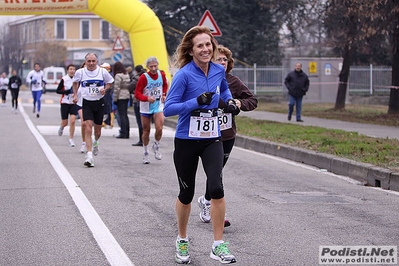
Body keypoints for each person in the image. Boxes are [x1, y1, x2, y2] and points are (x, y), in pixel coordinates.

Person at [163, 26, 237, 264]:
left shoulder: (218, 70)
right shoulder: (184, 74)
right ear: (191, 50)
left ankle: (218, 245)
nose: (205, 49)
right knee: (186, 193)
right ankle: (182, 240)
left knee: (216, 187)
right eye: (200, 46)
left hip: (212, 138)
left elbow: (223, 90)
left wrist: (229, 101)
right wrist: (195, 102)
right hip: (186, 139)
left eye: (208, 45)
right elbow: (168, 109)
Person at [197, 45, 258, 228]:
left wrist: (239, 102)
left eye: (225, 60)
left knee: (216, 174)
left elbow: (252, 100)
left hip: (227, 135)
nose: (222, 62)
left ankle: (206, 200)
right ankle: (214, 209)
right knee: (215, 174)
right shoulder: (202, 80)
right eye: (218, 59)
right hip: (207, 135)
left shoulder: (233, 81)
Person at [72, 53, 114, 167]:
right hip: (87, 102)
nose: (91, 63)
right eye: (89, 61)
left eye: (93, 61)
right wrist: (75, 95)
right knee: (87, 128)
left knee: (97, 132)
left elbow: (110, 82)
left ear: (97, 62)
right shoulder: (80, 72)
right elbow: (75, 82)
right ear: (85, 62)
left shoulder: (102, 72)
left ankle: (96, 142)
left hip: (99, 103)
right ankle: (89, 156)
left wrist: (105, 89)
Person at [134, 57, 168, 164]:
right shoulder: (144, 77)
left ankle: (156, 145)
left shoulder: (161, 74)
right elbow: (137, 94)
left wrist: (163, 94)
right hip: (146, 105)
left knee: (159, 127)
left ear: (158, 65)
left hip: (158, 104)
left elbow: (165, 85)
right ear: (147, 67)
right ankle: (145, 152)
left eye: (155, 66)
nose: (153, 68)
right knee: (146, 130)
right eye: (151, 66)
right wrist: (146, 98)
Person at [56, 64, 78, 147]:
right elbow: (57, 91)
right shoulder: (64, 79)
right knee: (65, 122)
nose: (72, 71)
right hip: (65, 102)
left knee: (72, 121)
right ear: (67, 70)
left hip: (73, 103)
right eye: (71, 69)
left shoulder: (77, 79)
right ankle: (62, 127)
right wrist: (66, 92)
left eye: (74, 69)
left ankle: (71, 139)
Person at [112, 62, 131, 139]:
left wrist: (115, 99)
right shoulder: (126, 74)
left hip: (120, 96)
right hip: (126, 95)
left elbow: (117, 88)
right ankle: (127, 132)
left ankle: (123, 132)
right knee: (125, 115)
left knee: (121, 115)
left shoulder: (118, 75)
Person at [129, 65, 146, 146]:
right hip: (147, 101)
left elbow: (129, 87)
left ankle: (141, 140)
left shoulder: (136, 79)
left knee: (140, 122)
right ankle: (145, 139)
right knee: (145, 121)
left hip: (138, 101)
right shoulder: (148, 78)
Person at [76, 62, 88, 153]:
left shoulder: (94, 78)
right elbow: (74, 88)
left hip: (93, 104)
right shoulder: (78, 80)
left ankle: (93, 140)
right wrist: (74, 96)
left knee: (91, 125)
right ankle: (84, 143)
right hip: (81, 104)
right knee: (83, 123)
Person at [101, 62, 114, 129]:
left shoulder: (110, 75)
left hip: (108, 94)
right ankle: (105, 122)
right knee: (105, 108)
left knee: (109, 108)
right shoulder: (104, 75)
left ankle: (109, 122)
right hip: (105, 94)